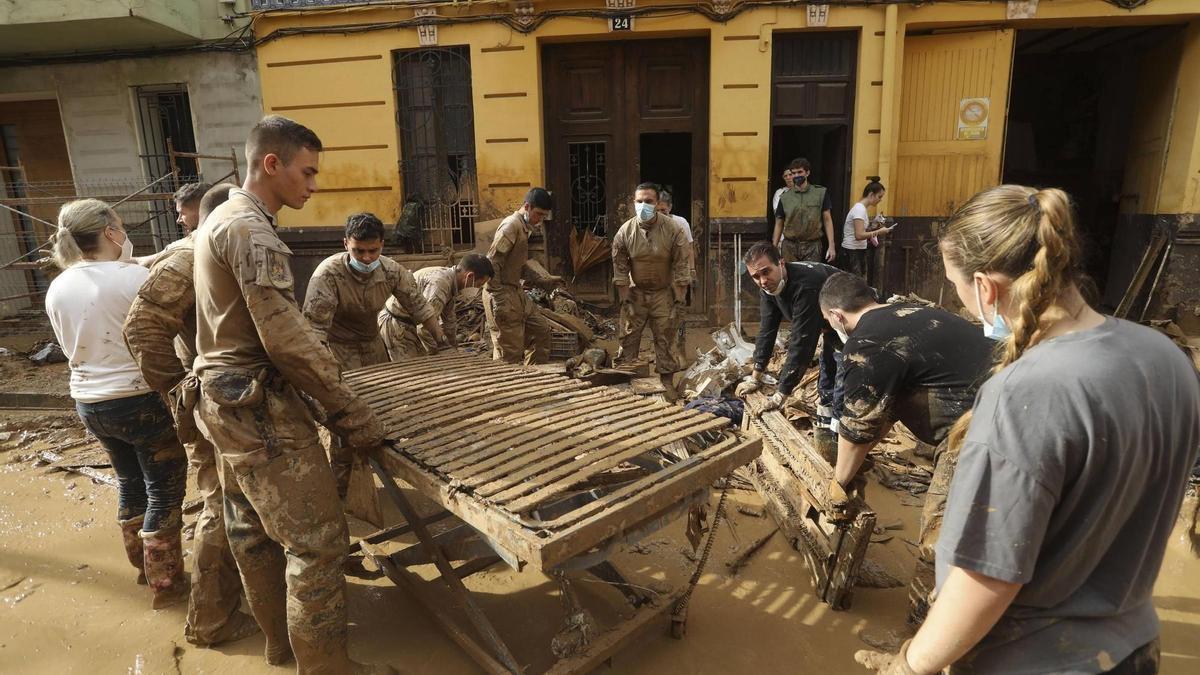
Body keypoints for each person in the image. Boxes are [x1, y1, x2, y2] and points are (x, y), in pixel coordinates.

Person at [856, 185, 1200, 675]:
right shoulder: (1165, 357)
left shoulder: (1024, 394)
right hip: (1134, 647)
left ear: (985, 287)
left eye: (959, 291)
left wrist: (910, 664)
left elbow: (987, 578)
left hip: (1036, 660)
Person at [192, 115, 385, 670]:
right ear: (271, 164)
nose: (314, 185)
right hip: (257, 407)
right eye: (308, 171)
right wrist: (348, 410)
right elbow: (287, 342)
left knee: (252, 533)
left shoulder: (218, 220)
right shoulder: (252, 231)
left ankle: (280, 648)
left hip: (221, 401)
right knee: (319, 546)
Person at [123, 183, 260, 646]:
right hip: (211, 404)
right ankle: (210, 620)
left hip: (237, 402)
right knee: (220, 506)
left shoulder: (222, 247)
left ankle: (237, 596)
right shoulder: (189, 255)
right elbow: (141, 325)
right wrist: (179, 391)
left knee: (238, 504)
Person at [818, 271, 994, 626]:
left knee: (941, 539)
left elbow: (856, 431)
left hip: (985, 431)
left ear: (836, 316)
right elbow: (886, 411)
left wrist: (837, 484)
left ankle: (923, 636)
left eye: (829, 321)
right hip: (1017, 401)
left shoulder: (867, 344)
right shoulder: (913, 313)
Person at [45, 198, 190, 609]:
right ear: (109, 232)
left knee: (129, 480)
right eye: (121, 226)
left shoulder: (59, 285)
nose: (124, 234)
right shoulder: (132, 279)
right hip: (138, 398)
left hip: (89, 402)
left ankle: (143, 569)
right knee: (163, 487)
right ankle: (167, 584)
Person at [734, 242, 842, 422]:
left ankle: (842, 437)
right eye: (756, 276)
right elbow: (767, 330)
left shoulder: (806, 286)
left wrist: (780, 395)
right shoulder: (768, 288)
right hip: (831, 327)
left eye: (766, 271)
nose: (762, 281)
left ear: (781, 264)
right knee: (827, 377)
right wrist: (755, 376)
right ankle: (826, 427)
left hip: (855, 325)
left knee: (843, 380)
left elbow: (802, 344)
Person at [612, 182, 692, 399]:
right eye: (639, 201)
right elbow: (620, 269)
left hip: (663, 294)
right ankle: (627, 379)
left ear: (657, 204)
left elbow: (682, 266)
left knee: (666, 338)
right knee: (628, 337)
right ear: (633, 203)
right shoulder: (625, 231)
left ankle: (667, 382)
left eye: (648, 201)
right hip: (635, 293)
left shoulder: (673, 229)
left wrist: (679, 300)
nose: (643, 205)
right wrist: (624, 301)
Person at [483, 187, 561, 364]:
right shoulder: (511, 226)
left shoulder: (524, 227)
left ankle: (532, 377)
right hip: (501, 291)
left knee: (541, 331)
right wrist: (498, 295)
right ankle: (509, 385)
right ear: (527, 206)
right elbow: (492, 262)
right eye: (539, 214)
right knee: (510, 351)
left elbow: (518, 263)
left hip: (515, 290)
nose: (540, 220)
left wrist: (542, 279)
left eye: (544, 216)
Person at [378, 252, 493, 359]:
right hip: (397, 326)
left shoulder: (451, 283)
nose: (477, 288)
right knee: (412, 370)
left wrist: (453, 348)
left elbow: (449, 322)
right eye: (478, 284)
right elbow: (424, 327)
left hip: (410, 324)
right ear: (469, 276)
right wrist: (440, 352)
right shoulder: (440, 284)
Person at [772, 157, 836, 264]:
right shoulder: (784, 197)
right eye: (794, 173)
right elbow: (779, 223)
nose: (796, 175)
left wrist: (831, 245)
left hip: (812, 245)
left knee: (811, 278)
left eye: (800, 172)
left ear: (807, 173)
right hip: (790, 246)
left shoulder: (820, 193)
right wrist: (774, 248)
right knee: (791, 278)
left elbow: (827, 219)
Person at [656, 189, 695, 358]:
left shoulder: (681, 223)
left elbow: (689, 248)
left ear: (670, 207)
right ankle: (662, 352)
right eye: (656, 211)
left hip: (679, 274)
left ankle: (680, 352)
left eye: (663, 210)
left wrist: (692, 271)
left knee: (678, 315)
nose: (660, 214)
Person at [841, 178, 896, 278]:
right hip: (853, 251)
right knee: (856, 285)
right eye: (879, 196)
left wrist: (874, 226)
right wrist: (879, 231)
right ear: (871, 194)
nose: (880, 200)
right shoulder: (859, 209)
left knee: (859, 283)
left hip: (857, 250)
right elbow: (859, 235)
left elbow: (861, 231)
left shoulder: (862, 209)